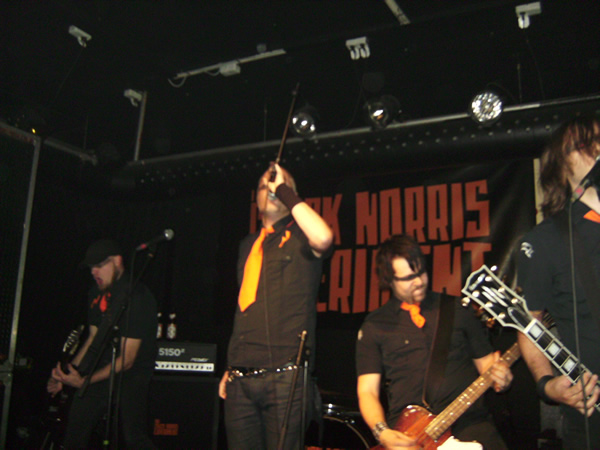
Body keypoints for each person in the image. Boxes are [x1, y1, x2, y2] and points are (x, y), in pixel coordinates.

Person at [356, 234, 512, 449]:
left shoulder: (457, 308)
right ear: (389, 280)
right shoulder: (375, 325)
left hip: (468, 424)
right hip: (409, 433)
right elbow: (368, 391)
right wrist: (382, 432)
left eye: (421, 272)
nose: (419, 282)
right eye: (408, 278)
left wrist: (501, 378)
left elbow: (487, 366)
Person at [218, 163, 333, 449]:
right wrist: (231, 366)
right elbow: (245, 310)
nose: (270, 189)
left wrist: (282, 189)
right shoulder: (247, 245)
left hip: (285, 376)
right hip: (240, 378)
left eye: (279, 186)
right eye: (264, 186)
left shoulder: (301, 236)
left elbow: (324, 237)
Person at [517, 116, 600, 448]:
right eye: (587, 143)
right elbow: (529, 326)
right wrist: (547, 385)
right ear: (562, 166)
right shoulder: (545, 242)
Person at [47, 239, 158, 449]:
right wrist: (68, 374)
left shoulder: (137, 296)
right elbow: (92, 339)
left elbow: (127, 359)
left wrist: (85, 380)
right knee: (74, 437)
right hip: (99, 370)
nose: (93, 272)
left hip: (131, 376)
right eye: (91, 267)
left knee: (133, 438)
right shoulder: (95, 293)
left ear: (117, 261)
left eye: (99, 266)